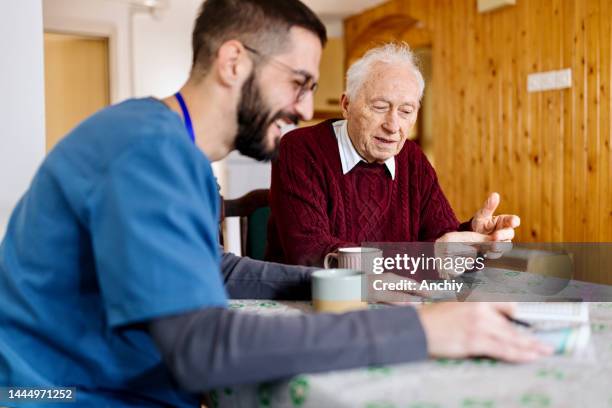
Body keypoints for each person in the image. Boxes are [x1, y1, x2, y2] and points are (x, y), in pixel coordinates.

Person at [0, 1, 550, 406]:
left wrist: (342, 282)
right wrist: (425, 330)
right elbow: (201, 347)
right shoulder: (143, 151)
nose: (308, 106)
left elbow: (219, 269)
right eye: (298, 82)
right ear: (234, 61)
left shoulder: (179, 155)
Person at [266, 43, 521, 266]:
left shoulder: (412, 158)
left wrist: (473, 236)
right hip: (314, 304)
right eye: (380, 107)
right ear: (347, 105)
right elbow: (310, 252)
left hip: (396, 301)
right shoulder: (299, 149)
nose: (393, 125)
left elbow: (440, 238)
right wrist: (423, 260)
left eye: (406, 111)